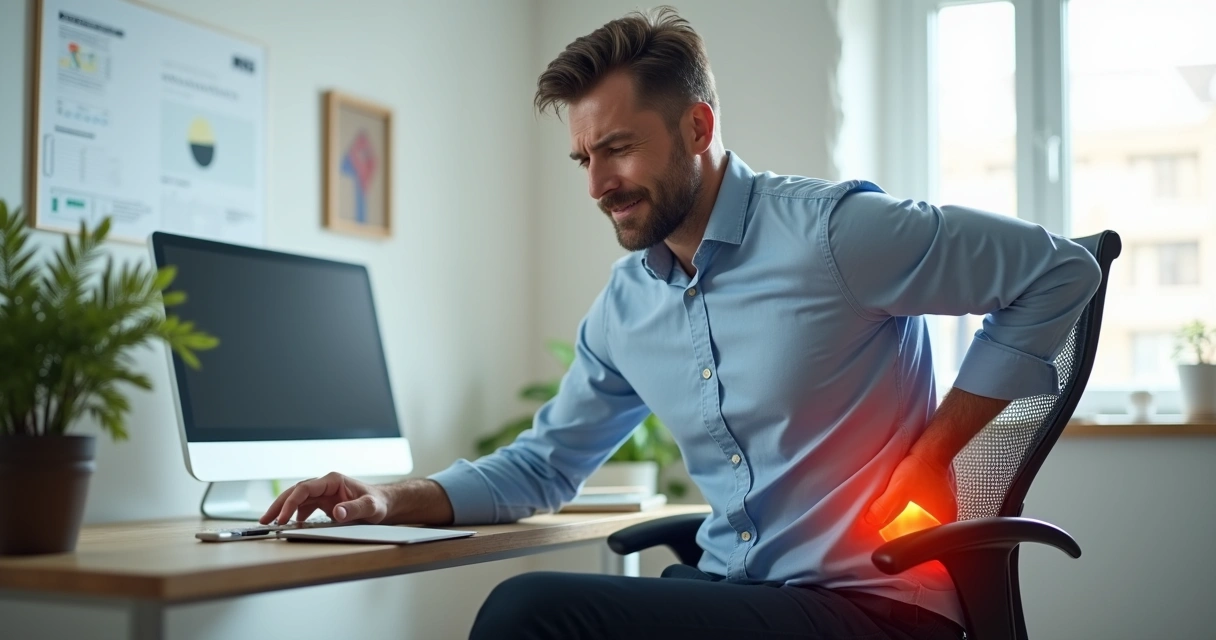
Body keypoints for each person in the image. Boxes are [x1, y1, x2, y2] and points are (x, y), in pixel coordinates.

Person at [261, 7, 1101, 639]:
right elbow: (545, 465)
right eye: (584, 158)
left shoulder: (837, 233)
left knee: (531, 614)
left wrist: (934, 449)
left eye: (618, 149)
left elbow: (1063, 269)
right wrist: (388, 496)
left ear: (698, 127)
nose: (597, 184)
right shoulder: (628, 306)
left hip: (877, 605)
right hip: (744, 595)